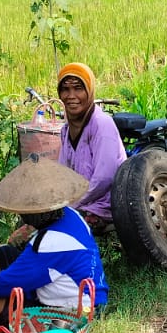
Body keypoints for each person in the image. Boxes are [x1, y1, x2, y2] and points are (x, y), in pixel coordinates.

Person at [0, 155, 110, 333]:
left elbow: (4, 284)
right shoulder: (71, 215)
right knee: (4, 253)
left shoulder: (50, 244)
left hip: (75, 313)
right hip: (94, 295)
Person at [54, 62, 124, 231]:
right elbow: (63, 173)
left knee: (55, 229)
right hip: (81, 202)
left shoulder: (101, 124)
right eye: (65, 89)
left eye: (78, 88)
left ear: (89, 91)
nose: (71, 96)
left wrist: (74, 203)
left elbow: (104, 178)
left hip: (105, 204)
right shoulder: (66, 130)